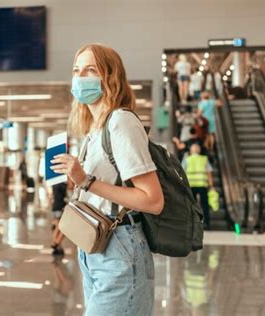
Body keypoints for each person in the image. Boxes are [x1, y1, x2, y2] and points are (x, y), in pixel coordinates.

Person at [50, 43, 164, 315]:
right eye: (77, 70)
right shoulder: (95, 129)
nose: (80, 77)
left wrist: (86, 180)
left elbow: (152, 200)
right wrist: (76, 178)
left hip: (120, 248)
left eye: (90, 70)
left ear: (110, 77)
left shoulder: (121, 122)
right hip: (95, 247)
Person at [182, 144, 214, 230]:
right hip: (202, 185)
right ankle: (207, 223)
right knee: (205, 205)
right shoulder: (204, 159)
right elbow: (209, 173)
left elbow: (182, 172)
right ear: (199, 151)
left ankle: (193, 223)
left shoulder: (187, 159)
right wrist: (211, 185)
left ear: (191, 151)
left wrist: (183, 185)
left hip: (191, 185)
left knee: (191, 205)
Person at [51, 181, 69, 256]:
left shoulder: (54, 184)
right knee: (62, 228)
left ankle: (56, 244)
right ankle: (56, 243)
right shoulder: (62, 184)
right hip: (60, 207)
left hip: (55, 207)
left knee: (57, 227)